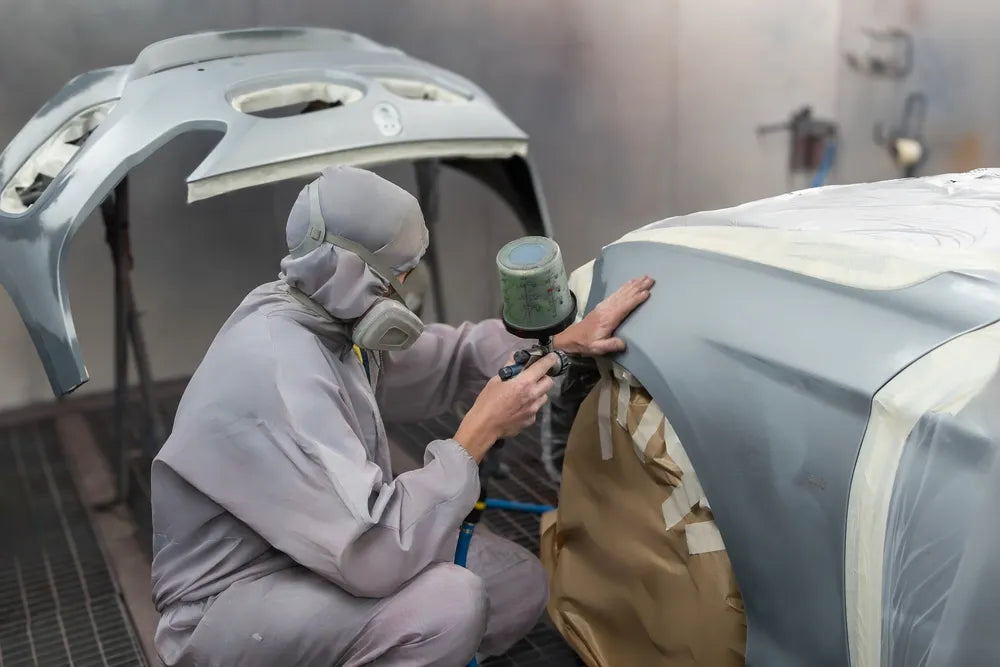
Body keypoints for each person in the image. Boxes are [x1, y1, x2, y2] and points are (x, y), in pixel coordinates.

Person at [150, 165, 653, 667]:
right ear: (355, 276)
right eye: (400, 273)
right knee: (448, 606)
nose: (406, 288)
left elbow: (453, 360)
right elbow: (372, 555)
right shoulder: (278, 368)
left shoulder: (331, 322)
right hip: (233, 604)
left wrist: (565, 341)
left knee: (515, 585)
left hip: (315, 554)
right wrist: (475, 436)